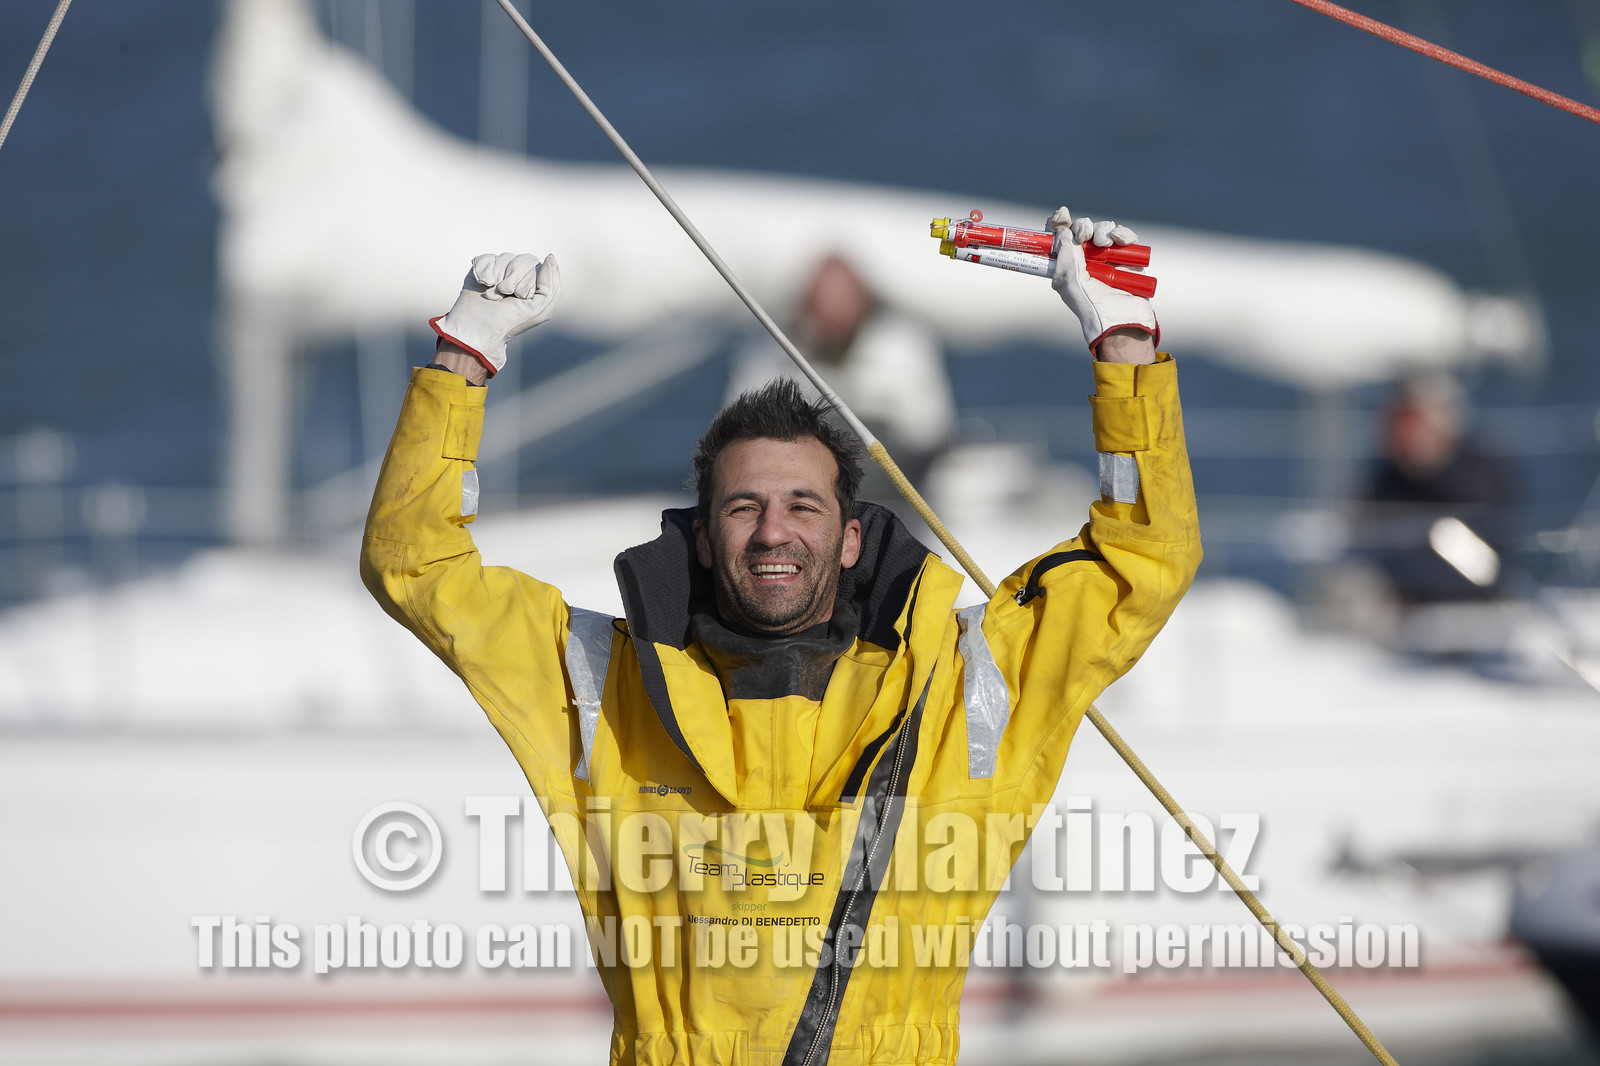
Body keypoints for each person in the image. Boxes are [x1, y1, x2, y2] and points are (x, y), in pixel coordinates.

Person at [361, 208, 1200, 1066]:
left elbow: (1143, 557)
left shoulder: (960, 681)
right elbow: (415, 563)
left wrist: (1126, 350)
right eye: (742, 507)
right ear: (699, 533)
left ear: (850, 536)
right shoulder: (601, 683)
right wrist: (462, 360)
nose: (772, 532)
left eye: (804, 505)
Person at [726, 253, 957, 489]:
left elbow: (928, 433)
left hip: (891, 490)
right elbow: (738, 430)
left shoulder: (903, 349)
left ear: (863, 300)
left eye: (842, 300)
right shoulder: (773, 352)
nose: (832, 315)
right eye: (821, 303)